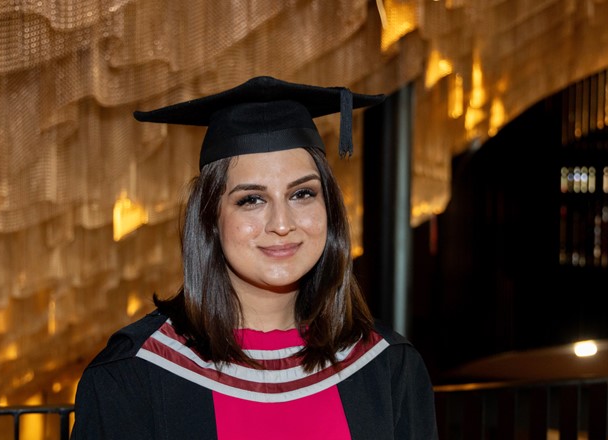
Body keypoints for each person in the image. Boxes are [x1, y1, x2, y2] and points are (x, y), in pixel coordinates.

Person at [70, 76, 438, 439]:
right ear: (210, 219)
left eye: (302, 194)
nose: (282, 224)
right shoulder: (134, 376)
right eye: (251, 200)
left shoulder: (388, 367)